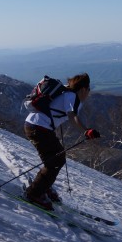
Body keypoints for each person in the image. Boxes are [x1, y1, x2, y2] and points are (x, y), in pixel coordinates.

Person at [23, 73, 100, 210]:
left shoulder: (66, 92)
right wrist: (86, 130)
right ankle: (35, 193)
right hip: (39, 128)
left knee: (55, 159)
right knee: (55, 160)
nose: (88, 94)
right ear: (83, 89)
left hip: (35, 126)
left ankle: (43, 187)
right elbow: (72, 116)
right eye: (89, 90)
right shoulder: (73, 96)